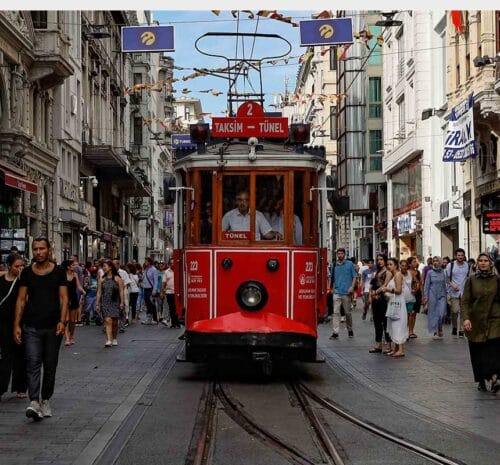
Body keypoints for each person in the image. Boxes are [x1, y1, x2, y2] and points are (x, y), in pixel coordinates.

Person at [13, 237, 69, 421]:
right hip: (31, 326)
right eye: (35, 249)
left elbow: (63, 298)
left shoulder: (59, 272)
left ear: (49, 250)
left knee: (50, 365)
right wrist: (17, 325)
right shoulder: (27, 273)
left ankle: (45, 399)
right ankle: (34, 401)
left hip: (53, 326)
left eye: (41, 249)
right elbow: (21, 300)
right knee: (33, 363)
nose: (38, 252)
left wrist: (63, 320)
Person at [462, 253, 500, 392]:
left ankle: (494, 378)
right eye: (481, 261)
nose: (483, 263)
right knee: (478, 352)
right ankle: (481, 380)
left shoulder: (496, 279)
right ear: (477, 263)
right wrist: (466, 318)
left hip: (494, 319)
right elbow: (465, 301)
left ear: (490, 263)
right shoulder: (471, 280)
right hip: (476, 321)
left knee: (494, 350)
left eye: (486, 261)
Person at [0, 254, 27, 401]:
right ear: (9, 266)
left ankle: (21, 387)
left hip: (20, 322)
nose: (19, 269)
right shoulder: (1, 281)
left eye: (21, 266)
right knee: (5, 355)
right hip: (3, 323)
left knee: (21, 355)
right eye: (17, 266)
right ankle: (1, 386)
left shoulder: (23, 282)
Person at [380, 258, 407, 357]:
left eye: (391, 264)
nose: (388, 266)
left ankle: (400, 349)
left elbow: (399, 290)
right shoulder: (393, 275)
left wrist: (388, 289)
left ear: (396, 265)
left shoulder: (397, 275)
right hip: (393, 302)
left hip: (398, 303)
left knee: (398, 324)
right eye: (388, 264)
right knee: (393, 324)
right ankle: (396, 348)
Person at [96, 260, 125, 347]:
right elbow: (99, 292)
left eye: (105, 266)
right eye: (103, 266)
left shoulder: (117, 278)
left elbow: (121, 291)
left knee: (115, 322)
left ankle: (114, 338)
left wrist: (122, 303)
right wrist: (97, 303)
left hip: (115, 302)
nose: (103, 268)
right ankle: (109, 340)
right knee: (107, 320)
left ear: (110, 267)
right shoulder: (102, 279)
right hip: (105, 302)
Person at [330, 248, 357, 339]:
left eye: (342, 253)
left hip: (346, 292)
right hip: (337, 292)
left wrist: (352, 287)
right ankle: (335, 332)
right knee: (336, 312)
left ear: (344, 255)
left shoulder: (349, 264)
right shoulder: (334, 265)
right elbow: (332, 278)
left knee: (347, 312)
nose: (340, 255)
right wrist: (331, 288)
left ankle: (350, 329)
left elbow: (354, 277)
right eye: (339, 254)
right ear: (337, 255)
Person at [368, 254, 393, 354]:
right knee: (377, 322)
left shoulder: (388, 272)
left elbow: (384, 285)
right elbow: (371, 286)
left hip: (384, 299)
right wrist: (371, 295)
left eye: (381, 259)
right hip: (375, 299)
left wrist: (375, 293)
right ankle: (378, 344)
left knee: (386, 322)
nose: (379, 261)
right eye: (378, 260)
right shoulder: (376, 272)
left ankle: (388, 345)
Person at [445, 248, 470, 338]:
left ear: (464, 256)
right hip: (454, 292)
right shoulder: (450, 265)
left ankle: (462, 330)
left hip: (464, 292)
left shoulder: (467, 265)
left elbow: (469, 278)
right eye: (458, 255)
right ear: (456, 256)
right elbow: (446, 278)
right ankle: (455, 327)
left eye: (462, 255)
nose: (460, 257)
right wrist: (452, 285)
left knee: (463, 311)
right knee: (455, 311)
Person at [61, 259, 86, 346]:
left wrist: (83, 291)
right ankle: (67, 338)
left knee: (72, 320)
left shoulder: (75, 275)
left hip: (73, 298)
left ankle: (71, 335)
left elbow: (78, 286)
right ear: (68, 267)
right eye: (73, 265)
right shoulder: (63, 275)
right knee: (66, 320)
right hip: (65, 298)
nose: (74, 267)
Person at [423, 257, 448, 339]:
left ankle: (440, 327)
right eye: (434, 261)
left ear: (440, 262)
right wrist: (426, 296)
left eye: (437, 261)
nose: (435, 262)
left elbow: (447, 284)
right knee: (433, 314)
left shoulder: (444, 272)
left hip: (442, 296)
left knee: (442, 314)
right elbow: (426, 285)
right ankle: (435, 332)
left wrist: (449, 293)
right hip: (432, 295)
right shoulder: (430, 273)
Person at [160, 258, 181, 328]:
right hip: (169, 292)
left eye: (173, 263)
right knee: (171, 308)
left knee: (176, 308)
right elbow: (163, 283)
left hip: (177, 293)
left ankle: (177, 322)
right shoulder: (166, 272)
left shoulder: (179, 270)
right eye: (171, 263)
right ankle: (173, 323)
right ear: (169, 264)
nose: (172, 264)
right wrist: (162, 292)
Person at [400, 259, 417, 339]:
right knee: (403, 315)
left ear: (407, 266)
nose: (403, 267)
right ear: (400, 266)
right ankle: (402, 331)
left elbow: (415, 282)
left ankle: (408, 331)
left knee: (410, 314)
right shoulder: (397, 274)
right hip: (401, 298)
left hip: (410, 297)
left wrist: (414, 289)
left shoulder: (410, 273)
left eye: (405, 266)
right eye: (402, 265)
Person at [112, 259, 131, 331]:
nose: (113, 266)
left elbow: (127, 283)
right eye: (112, 264)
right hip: (112, 293)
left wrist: (123, 289)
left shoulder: (123, 272)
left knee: (122, 307)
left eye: (115, 264)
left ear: (118, 265)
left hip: (122, 291)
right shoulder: (109, 272)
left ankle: (122, 323)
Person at [406, 256, 421, 338]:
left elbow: (421, 283)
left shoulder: (418, 272)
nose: (416, 263)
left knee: (414, 313)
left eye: (416, 261)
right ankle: (407, 330)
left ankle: (411, 331)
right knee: (410, 313)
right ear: (410, 263)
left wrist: (422, 295)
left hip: (417, 294)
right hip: (409, 294)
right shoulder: (407, 272)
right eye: (414, 262)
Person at [141, 257, 159, 325]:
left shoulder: (154, 270)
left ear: (149, 262)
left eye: (146, 261)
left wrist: (154, 290)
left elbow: (156, 281)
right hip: (145, 289)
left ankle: (154, 319)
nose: (145, 262)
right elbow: (143, 278)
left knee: (152, 304)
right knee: (147, 304)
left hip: (151, 289)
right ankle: (149, 318)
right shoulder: (146, 269)